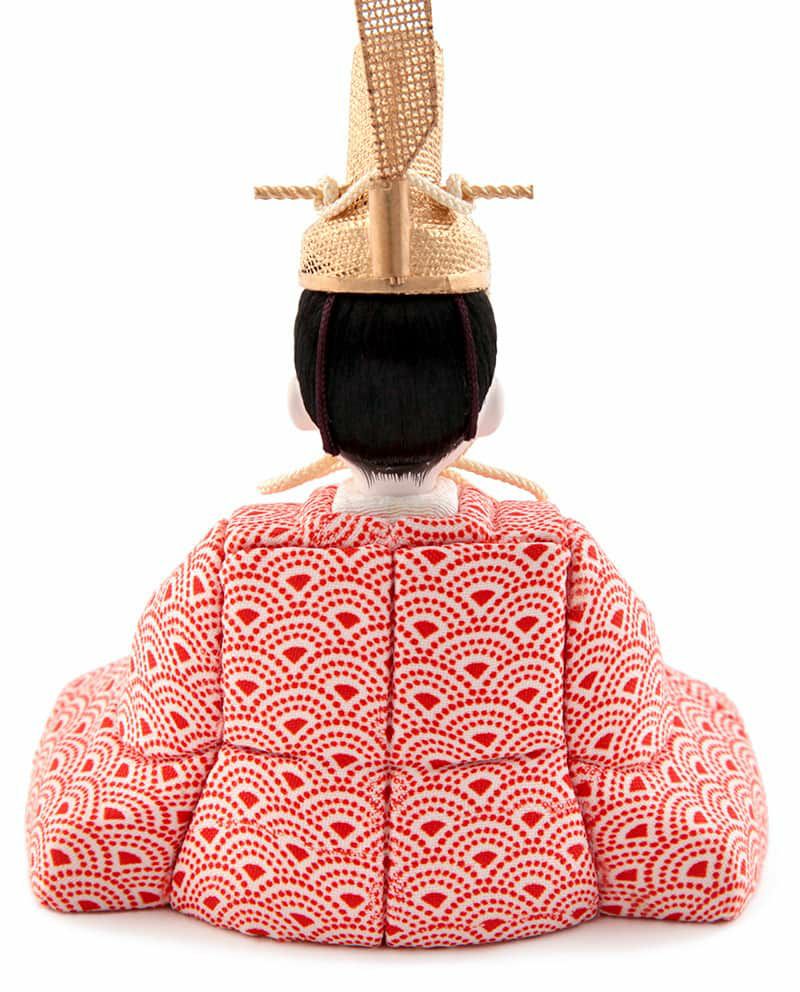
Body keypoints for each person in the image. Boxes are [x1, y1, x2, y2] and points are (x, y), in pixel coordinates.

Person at [26, 0, 766, 948]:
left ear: (302, 402)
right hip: (516, 891)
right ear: (487, 405)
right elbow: (655, 795)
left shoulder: (230, 562)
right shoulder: (563, 564)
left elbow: (129, 784)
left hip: (266, 882)